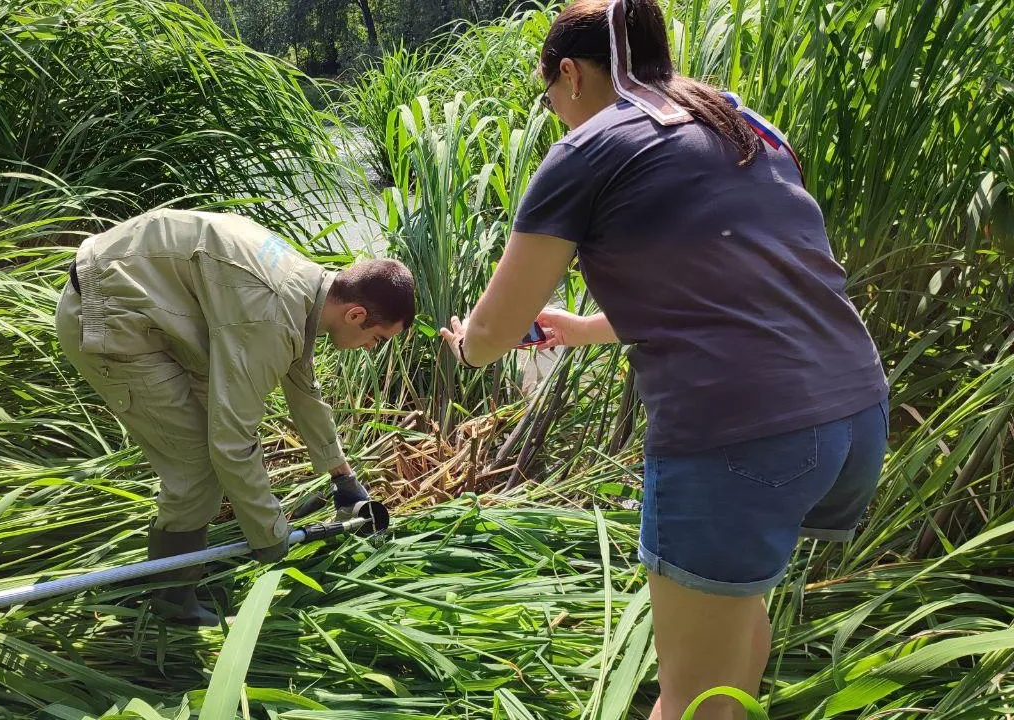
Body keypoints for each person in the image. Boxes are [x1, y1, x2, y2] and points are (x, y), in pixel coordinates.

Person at [439, 1, 889, 717]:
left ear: (569, 74)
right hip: (853, 414)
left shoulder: (589, 147)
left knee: (686, 698)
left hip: (738, 434)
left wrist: (468, 345)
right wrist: (583, 329)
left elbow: (493, 333)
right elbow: (732, 292)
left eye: (549, 95)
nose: (555, 111)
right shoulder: (736, 122)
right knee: (736, 618)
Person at [57, 208, 414, 626]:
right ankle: (172, 602)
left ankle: (179, 568)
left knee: (210, 444)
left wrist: (342, 478)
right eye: (377, 338)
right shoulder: (272, 313)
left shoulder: (307, 286)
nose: (372, 347)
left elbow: (303, 386)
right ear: (355, 314)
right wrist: (271, 537)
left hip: (152, 303)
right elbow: (231, 441)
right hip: (108, 312)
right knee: (198, 470)